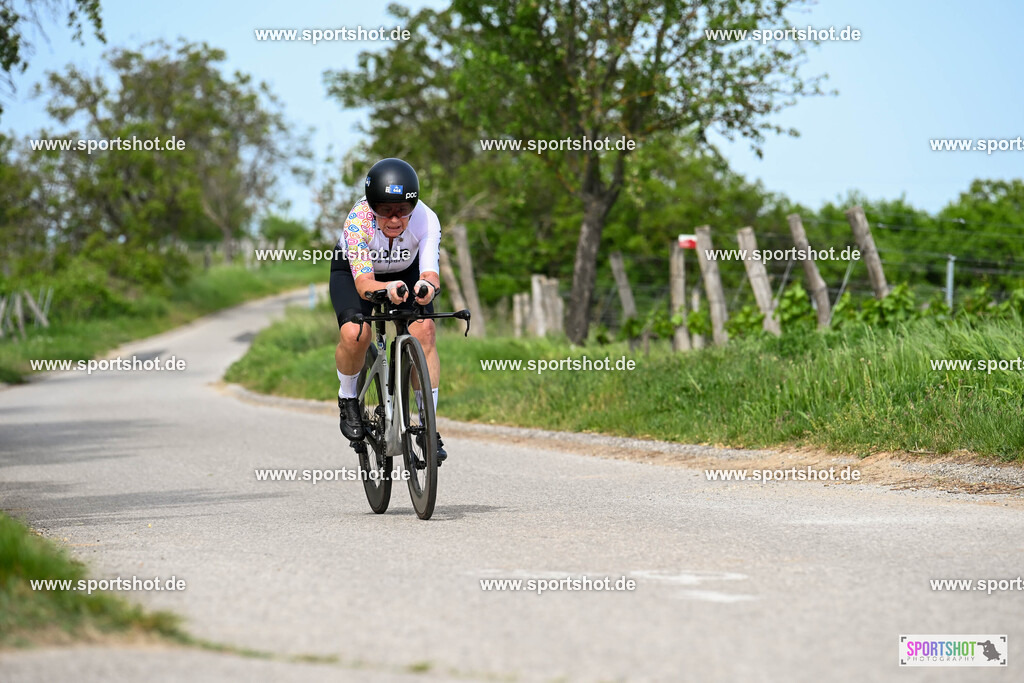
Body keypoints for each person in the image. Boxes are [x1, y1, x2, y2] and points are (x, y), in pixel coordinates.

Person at [329, 158, 447, 462]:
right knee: (357, 333)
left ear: (413, 206)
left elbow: (431, 274)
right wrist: (385, 289)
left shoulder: (427, 219)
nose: (394, 220)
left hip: (407, 271)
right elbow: (365, 284)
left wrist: (427, 288)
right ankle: (348, 398)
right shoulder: (358, 222)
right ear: (372, 207)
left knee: (425, 330)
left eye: (402, 211)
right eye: (385, 211)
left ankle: (427, 424)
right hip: (357, 274)